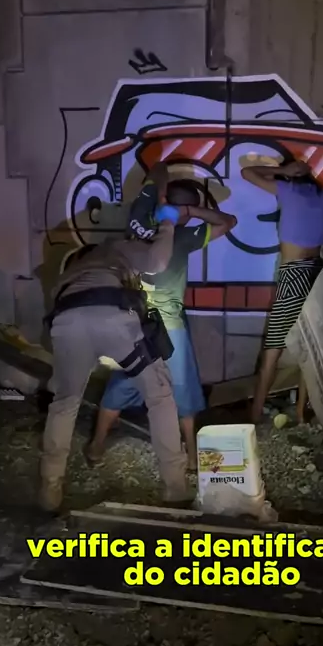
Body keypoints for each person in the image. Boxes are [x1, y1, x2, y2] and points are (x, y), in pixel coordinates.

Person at [39, 193, 190, 513]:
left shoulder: (71, 270)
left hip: (66, 322)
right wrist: (167, 223)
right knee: (159, 396)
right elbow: (158, 262)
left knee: (65, 403)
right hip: (113, 317)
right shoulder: (117, 248)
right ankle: (176, 489)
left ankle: (50, 487)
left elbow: (65, 316)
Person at [87, 180, 237, 470]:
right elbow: (228, 221)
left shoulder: (138, 230)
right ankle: (191, 456)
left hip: (135, 324)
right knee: (183, 391)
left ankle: (96, 446)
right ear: (184, 210)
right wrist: (189, 211)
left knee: (123, 383)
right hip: (169, 328)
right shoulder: (183, 237)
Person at [241, 158, 323, 424]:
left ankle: (254, 416)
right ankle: (302, 412)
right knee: (309, 347)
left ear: (291, 175)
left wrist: (281, 171)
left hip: (294, 274)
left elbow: (247, 173)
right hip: (317, 271)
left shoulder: (289, 190)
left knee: (272, 350)